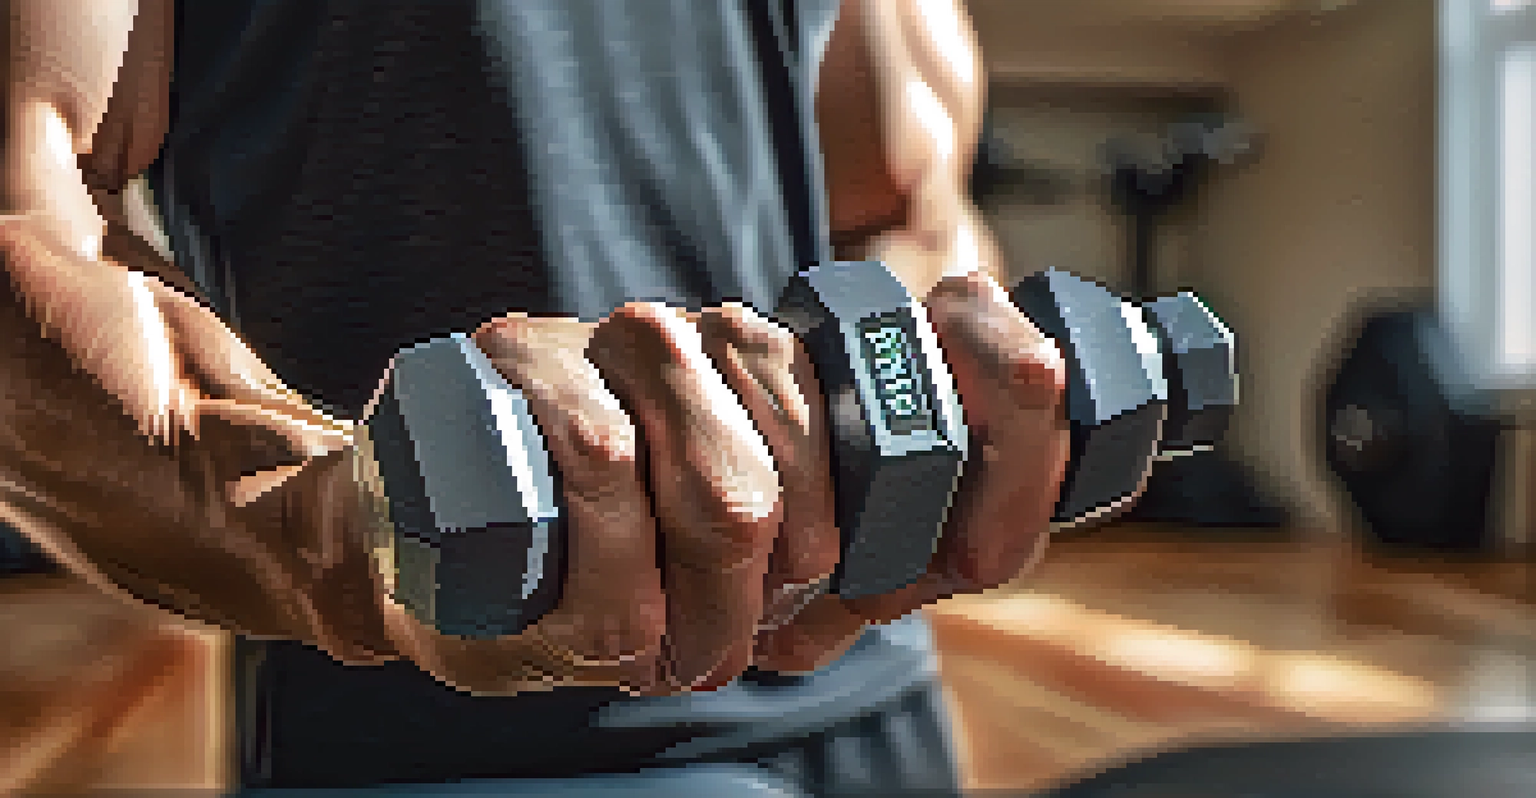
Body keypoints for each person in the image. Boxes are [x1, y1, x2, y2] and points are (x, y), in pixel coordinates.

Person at [0, 0, 1071, 795]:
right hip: (433, 716)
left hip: (865, 691)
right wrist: (326, 528)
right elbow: (24, 210)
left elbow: (911, 202)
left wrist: (923, 412)